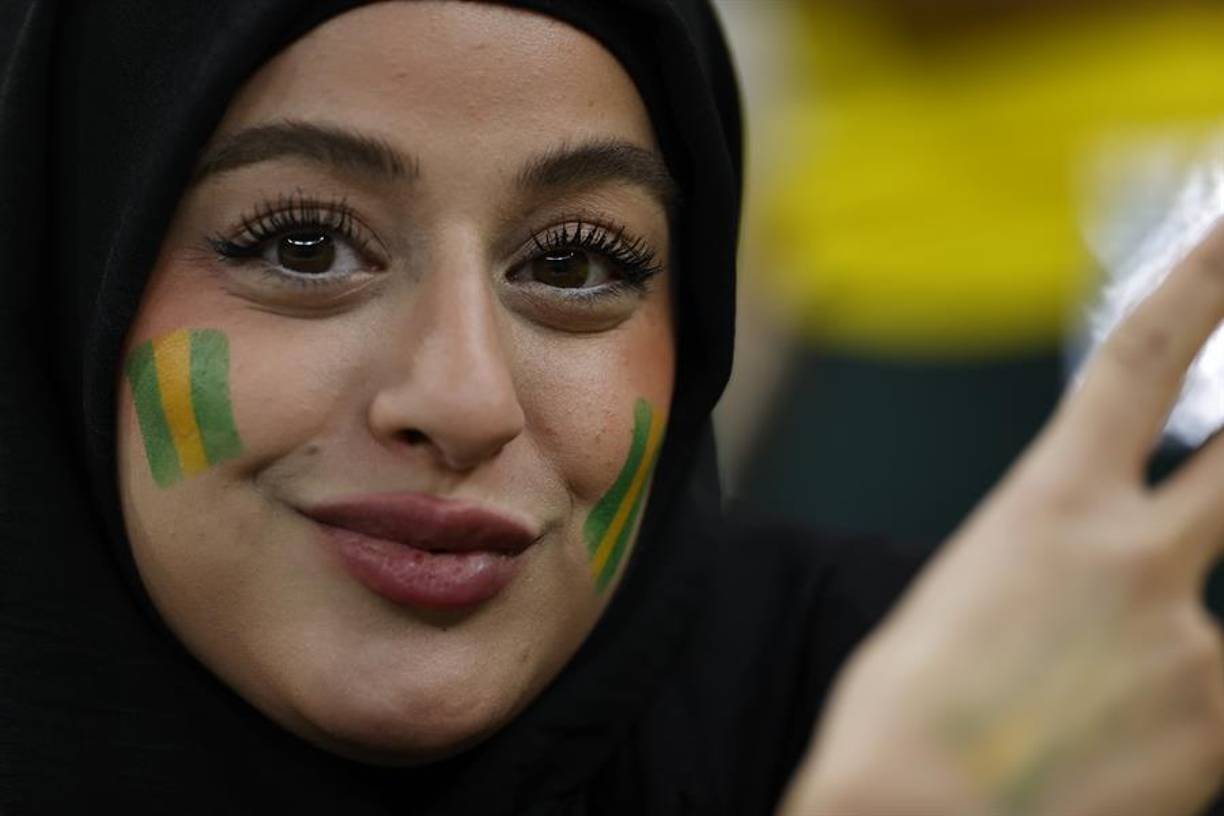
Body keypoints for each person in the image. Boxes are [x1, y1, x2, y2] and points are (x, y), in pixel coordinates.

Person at [1, 1, 1222, 814]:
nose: (465, 399)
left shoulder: (934, 706)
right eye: (305, 245)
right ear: (67, 274)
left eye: (577, 262)